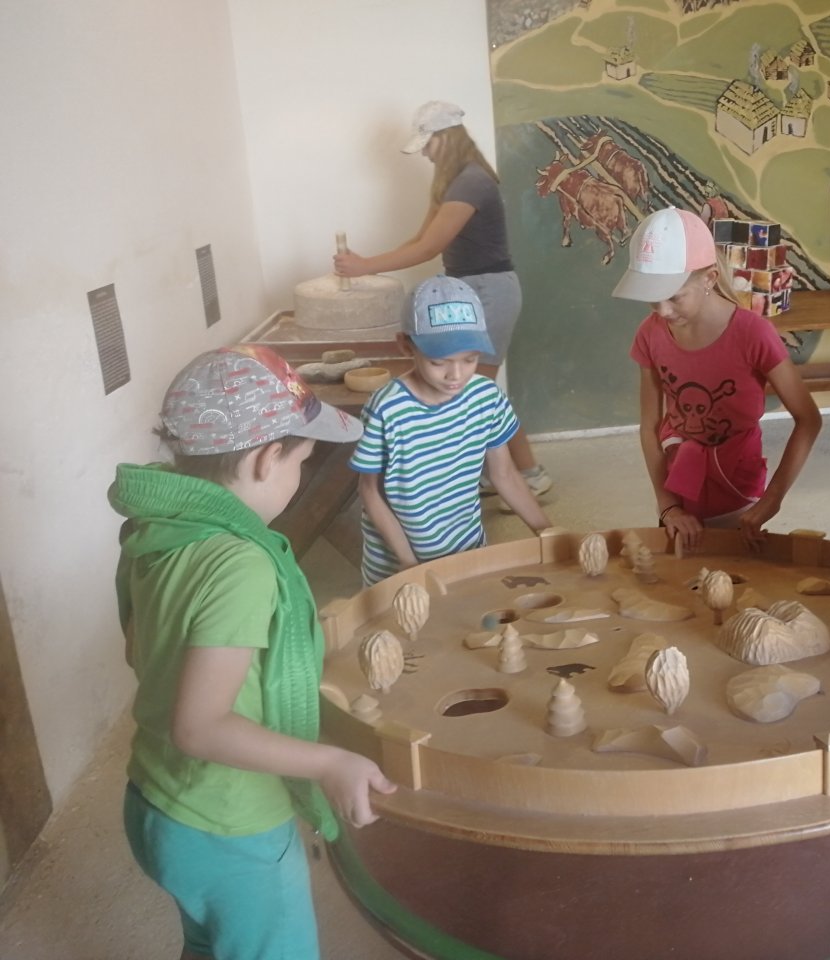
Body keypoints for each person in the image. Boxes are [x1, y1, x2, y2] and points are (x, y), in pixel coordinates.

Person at [109, 345, 397, 960]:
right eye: (302, 462)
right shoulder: (241, 565)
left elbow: (146, 649)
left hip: (156, 800)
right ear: (268, 460)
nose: (298, 476)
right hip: (229, 826)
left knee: (211, 942)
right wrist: (328, 762)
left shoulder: (158, 529)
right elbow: (200, 725)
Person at [334, 100, 551, 500]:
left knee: (478, 393)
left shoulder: (471, 182)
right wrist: (368, 265)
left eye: (428, 144)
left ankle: (529, 475)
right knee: (474, 391)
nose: (425, 153)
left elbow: (428, 249)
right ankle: (500, 473)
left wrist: (364, 267)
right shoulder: (452, 183)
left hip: (490, 290)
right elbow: (419, 240)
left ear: (446, 138)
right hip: (469, 289)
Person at [613, 207, 822, 551]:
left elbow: (808, 418)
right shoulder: (650, 334)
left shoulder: (753, 333)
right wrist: (668, 505)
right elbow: (649, 426)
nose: (663, 311)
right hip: (677, 481)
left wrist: (773, 499)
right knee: (679, 571)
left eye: (674, 296)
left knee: (733, 569)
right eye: (652, 299)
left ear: (709, 278)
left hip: (737, 484)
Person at [351, 275, 551, 585]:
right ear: (405, 345)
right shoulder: (387, 410)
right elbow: (369, 492)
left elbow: (504, 474)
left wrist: (546, 531)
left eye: (470, 359)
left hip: (466, 552)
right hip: (398, 566)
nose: (455, 375)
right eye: (439, 362)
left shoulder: (485, 397)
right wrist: (408, 563)